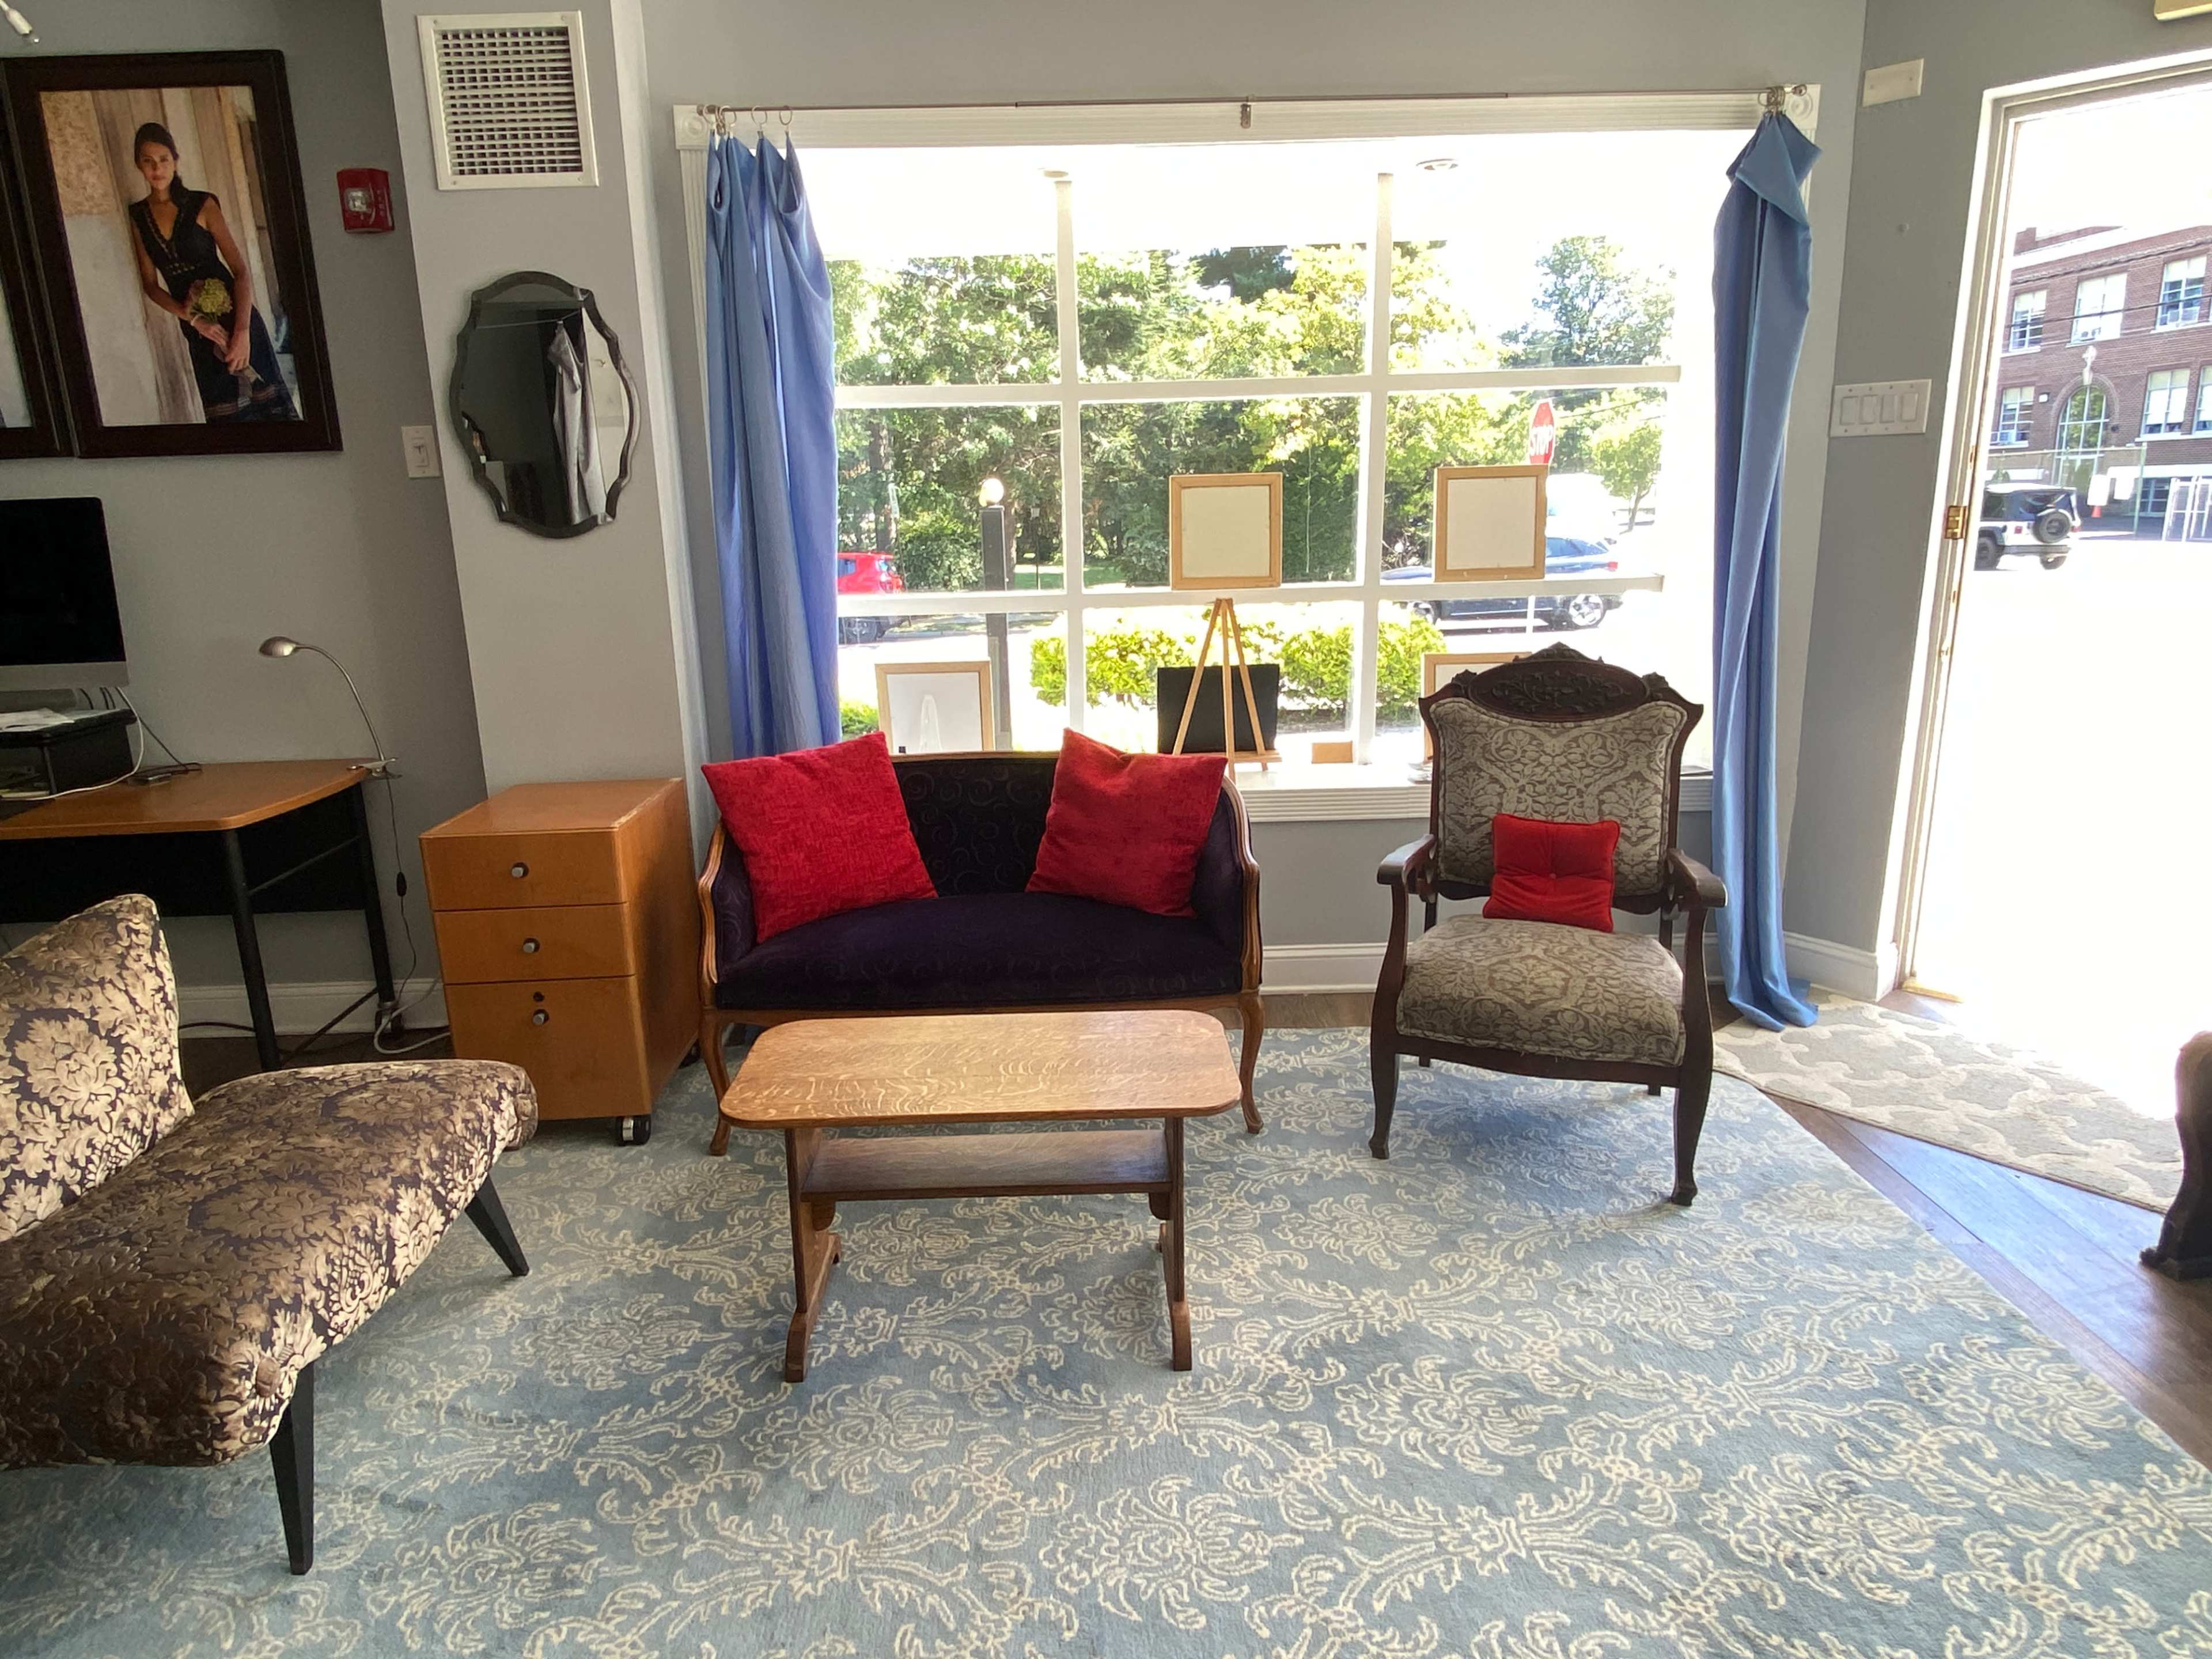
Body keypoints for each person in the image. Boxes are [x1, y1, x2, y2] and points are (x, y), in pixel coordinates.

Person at [125, 122, 295, 422]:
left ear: (175, 161)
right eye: (148, 161)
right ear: (139, 164)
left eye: (164, 159)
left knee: (272, 415)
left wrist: (242, 333)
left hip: (238, 319)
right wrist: (193, 319)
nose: (157, 168)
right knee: (226, 418)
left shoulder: (202, 204)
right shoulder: (138, 216)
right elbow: (150, 285)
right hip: (200, 331)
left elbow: (241, 272)